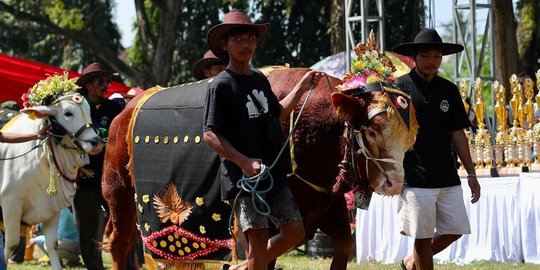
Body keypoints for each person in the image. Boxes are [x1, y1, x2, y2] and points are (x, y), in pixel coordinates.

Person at [203, 10, 322, 270]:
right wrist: (243, 161)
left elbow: (277, 113)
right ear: (225, 45)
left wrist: (301, 87)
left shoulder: (258, 79)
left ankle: (242, 268)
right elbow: (210, 134)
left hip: (271, 173)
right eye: (239, 40)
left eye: (250, 39)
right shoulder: (220, 85)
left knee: (295, 231)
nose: (246, 45)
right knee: (258, 240)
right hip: (244, 179)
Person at [392, 28, 481, 270]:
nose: (432, 61)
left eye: (437, 56)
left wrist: (471, 174)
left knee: (455, 230)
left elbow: (458, 133)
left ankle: (412, 262)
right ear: (415, 57)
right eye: (425, 56)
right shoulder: (399, 88)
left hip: (447, 174)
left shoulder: (449, 89)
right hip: (415, 176)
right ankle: (417, 261)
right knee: (421, 237)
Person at [74, 62, 123, 270]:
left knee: (122, 225)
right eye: (101, 82)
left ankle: (124, 263)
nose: (106, 85)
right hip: (84, 180)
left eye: (108, 81)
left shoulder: (113, 107)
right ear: (88, 85)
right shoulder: (75, 109)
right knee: (89, 231)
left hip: (111, 179)